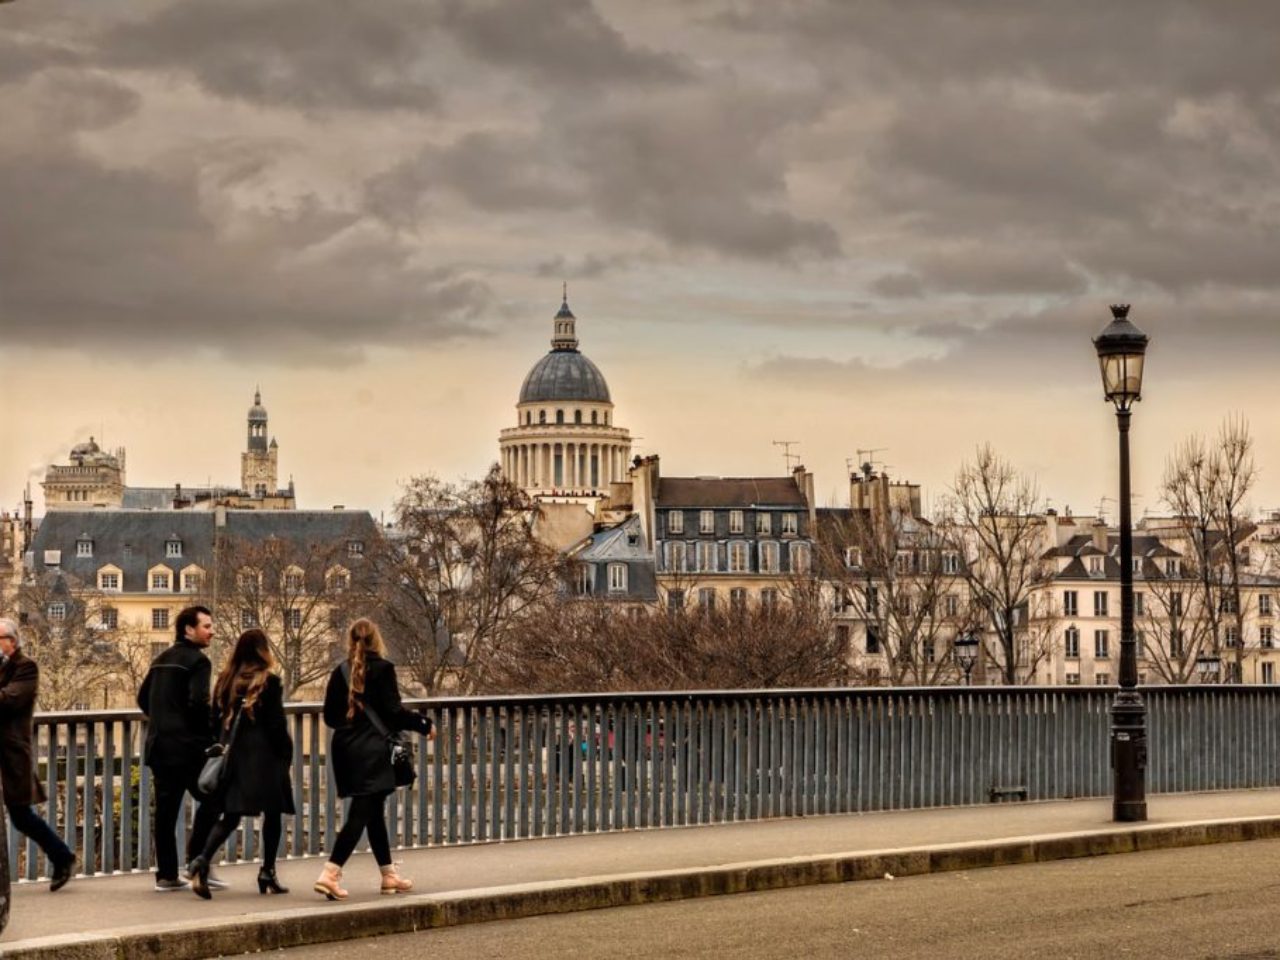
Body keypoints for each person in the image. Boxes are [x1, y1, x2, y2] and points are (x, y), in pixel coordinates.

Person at [314, 618, 432, 900]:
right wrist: (423, 724)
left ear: (350, 640)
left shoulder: (339, 671)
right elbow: (393, 712)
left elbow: (330, 716)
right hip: (373, 750)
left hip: (345, 748)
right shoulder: (383, 669)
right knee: (361, 813)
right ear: (377, 640)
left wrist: (352, 721)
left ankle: (389, 876)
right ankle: (330, 873)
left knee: (372, 811)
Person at [188, 629, 295, 899]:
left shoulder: (225, 680)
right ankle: (267, 871)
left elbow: (213, 719)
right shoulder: (269, 681)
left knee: (230, 815)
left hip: (234, 756)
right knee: (272, 813)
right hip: (264, 756)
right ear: (263, 651)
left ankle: (202, 860)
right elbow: (276, 724)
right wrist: (286, 753)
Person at [137, 605, 225, 892]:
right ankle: (198, 863)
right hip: (188, 747)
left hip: (159, 746)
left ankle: (166, 875)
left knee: (166, 811)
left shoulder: (161, 658)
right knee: (214, 800)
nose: (212, 632)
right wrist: (210, 735)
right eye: (207, 626)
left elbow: (142, 698)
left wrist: (162, 718)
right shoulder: (198, 661)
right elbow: (199, 702)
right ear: (189, 629)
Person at [0, 618, 76, 892]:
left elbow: (9, 700)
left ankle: (62, 856)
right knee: (21, 814)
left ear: (11, 641)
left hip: (11, 751)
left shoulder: (25, 667)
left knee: (21, 814)